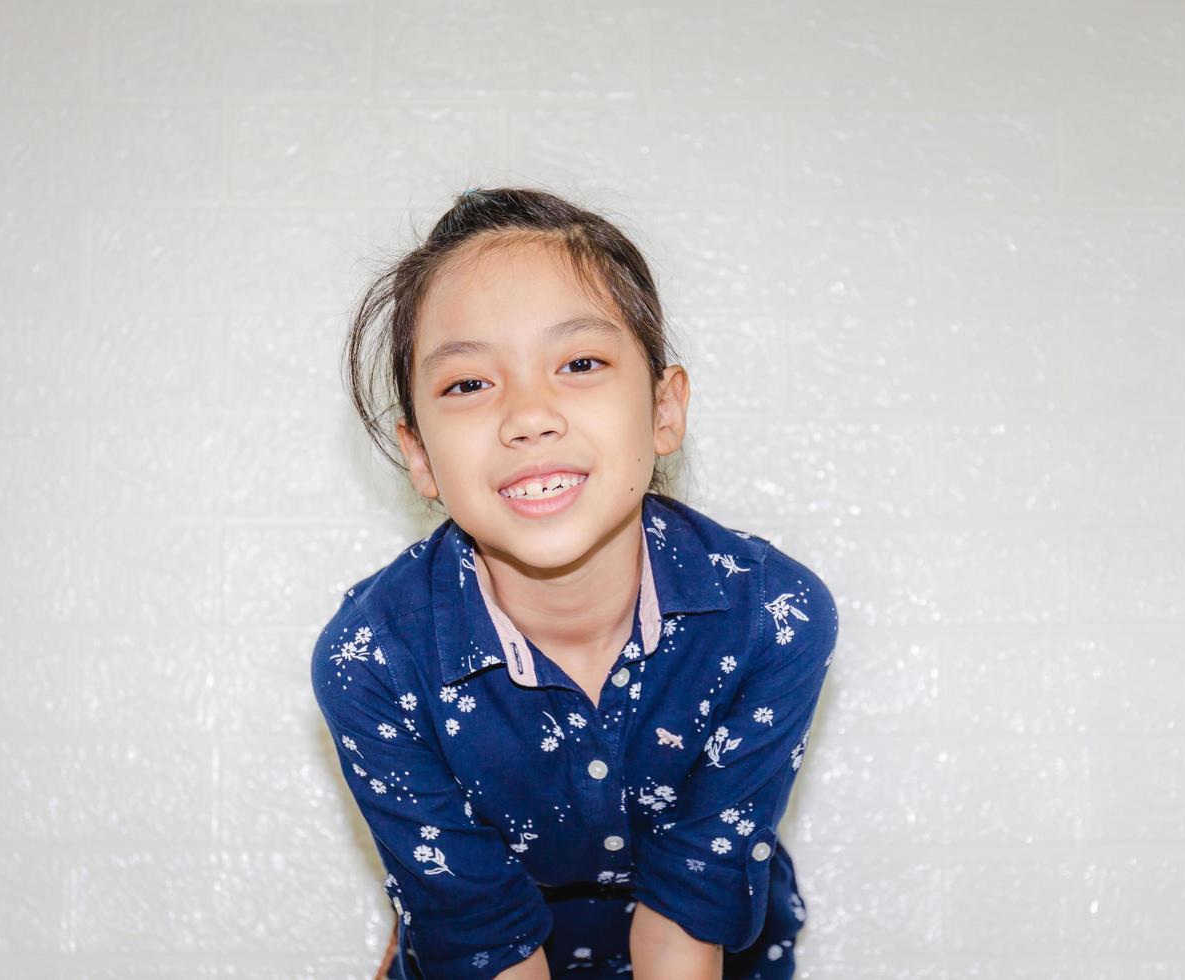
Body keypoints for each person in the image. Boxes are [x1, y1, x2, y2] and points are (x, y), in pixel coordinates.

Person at [311, 186, 839, 979]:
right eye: (468, 384)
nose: (529, 414)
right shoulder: (373, 662)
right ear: (418, 456)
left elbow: (680, 936)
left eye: (581, 363)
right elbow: (487, 948)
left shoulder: (773, 619)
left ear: (665, 408)